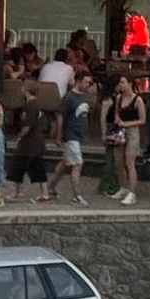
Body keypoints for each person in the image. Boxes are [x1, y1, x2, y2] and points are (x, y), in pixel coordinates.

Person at [44, 73, 93, 205]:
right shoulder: (69, 97)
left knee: (66, 161)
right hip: (70, 135)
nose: (88, 85)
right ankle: (76, 195)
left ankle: (52, 185)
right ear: (78, 81)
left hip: (78, 134)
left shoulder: (84, 96)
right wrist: (59, 135)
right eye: (86, 82)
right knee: (77, 163)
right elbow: (60, 116)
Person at [107, 77, 144, 206]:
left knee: (129, 162)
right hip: (120, 131)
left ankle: (132, 193)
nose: (121, 85)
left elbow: (142, 119)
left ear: (130, 83)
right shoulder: (118, 98)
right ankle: (123, 187)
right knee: (119, 161)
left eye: (123, 82)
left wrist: (127, 123)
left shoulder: (137, 100)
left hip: (132, 131)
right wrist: (117, 119)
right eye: (120, 82)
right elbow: (117, 113)